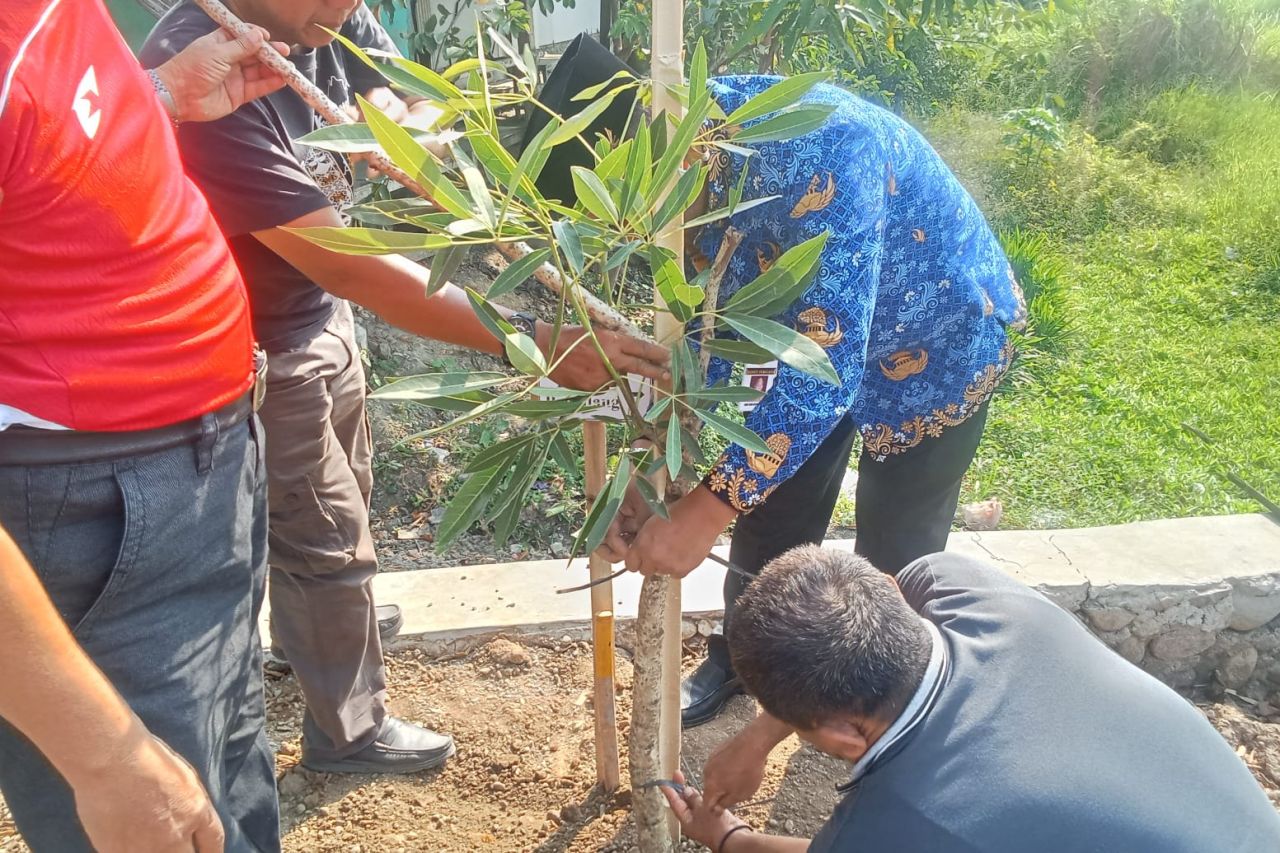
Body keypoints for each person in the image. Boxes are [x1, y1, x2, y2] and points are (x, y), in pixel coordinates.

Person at [140, 2, 671, 775]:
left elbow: (421, 96)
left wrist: (408, 126)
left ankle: (314, 633)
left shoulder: (324, 19)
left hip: (317, 314)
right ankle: (348, 732)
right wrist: (528, 341)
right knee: (324, 532)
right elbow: (353, 264)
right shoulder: (200, 70)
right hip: (258, 348)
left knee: (341, 495)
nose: (350, 3)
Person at [554, 55, 1028, 726]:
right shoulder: (689, 175)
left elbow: (824, 368)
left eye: (627, 216)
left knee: (898, 553)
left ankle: (884, 711)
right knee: (773, 515)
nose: (632, 236)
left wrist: (702, 514)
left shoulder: (825, 146)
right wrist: (650, 465)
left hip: (935, 337)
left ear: (658, 157)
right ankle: (743, 663)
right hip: (796, 340)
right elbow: (710, 330)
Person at [0, 0, 290, 849]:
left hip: (198, 469)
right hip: (99, 507)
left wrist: (153, 96)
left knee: (230, 778)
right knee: (166, 815)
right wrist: (104, 756)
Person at [659, 546, 1280, 852]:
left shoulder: (910, 819)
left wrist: (731, 840)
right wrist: (756, 740)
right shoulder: (967, 589)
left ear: (846, 734)